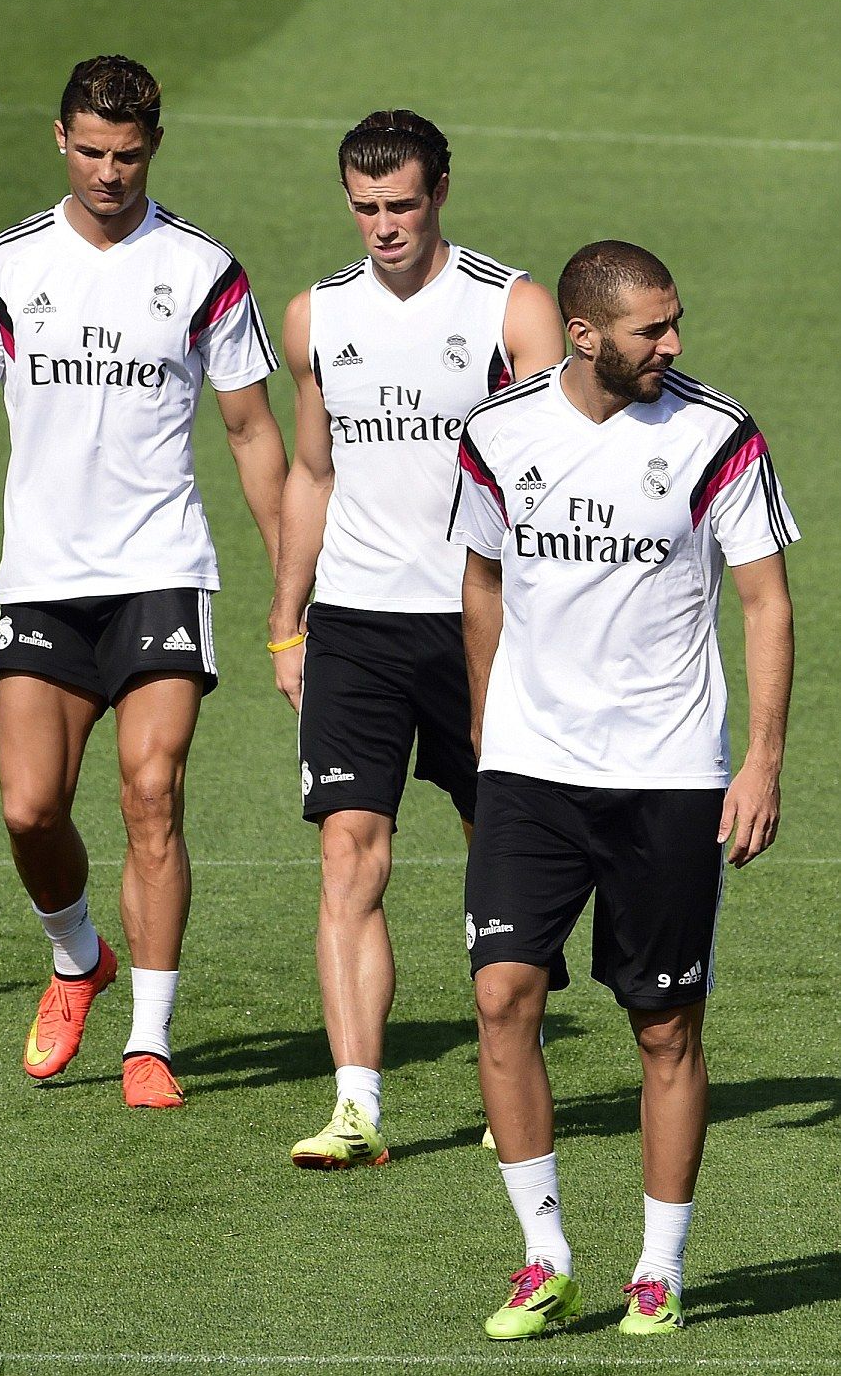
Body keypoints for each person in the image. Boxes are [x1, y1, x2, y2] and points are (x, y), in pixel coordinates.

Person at [0, 56, 287, 1108]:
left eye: (127, 155)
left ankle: (149, 1041)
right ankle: (79, 955)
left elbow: (252, 426)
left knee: (149, 791)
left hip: (161, 571)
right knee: (32, 808)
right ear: (60, 139)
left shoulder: (202, 268)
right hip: (41, 578)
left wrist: (288, 582)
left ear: (153, 148)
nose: (108, 172)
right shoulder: (5, 266)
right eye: (91, 151)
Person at [449, 240, 798, 1336]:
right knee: (501, 994)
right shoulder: (497, 431)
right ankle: (542, 1254)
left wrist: (761, 759)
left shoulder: (714, 433)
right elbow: (480, 581)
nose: (673, 344)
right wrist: (484, 733)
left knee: (661, 1026)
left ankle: (657, 1264)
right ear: (584, 332)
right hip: (530, 769)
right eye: (652, 329)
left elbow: (763, 604)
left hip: (666, 774)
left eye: (673, 321)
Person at [267, 109, 567, 1168]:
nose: (383, 227)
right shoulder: (314, 317)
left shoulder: (511, 307)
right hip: (354, 621)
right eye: (363, 208)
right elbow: (312, 472)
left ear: (440, 188)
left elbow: (555, 466)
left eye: (400, 205)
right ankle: (356, 1103)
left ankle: (511, 1077)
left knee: (507, 851)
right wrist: (284, 618)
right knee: (349, 847)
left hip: (484, 622)